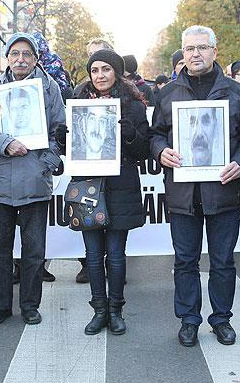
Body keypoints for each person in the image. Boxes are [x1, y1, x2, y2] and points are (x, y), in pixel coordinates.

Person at [150, 25, 240, 347]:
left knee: (223, 260)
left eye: (202, 48)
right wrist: (159, 151)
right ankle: (189, 320)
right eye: (189, 49)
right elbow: (156, 134)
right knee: (185, 261)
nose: (195, 54)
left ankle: (221, 319)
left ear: (214, 52)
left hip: (223, 191)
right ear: (182, 54)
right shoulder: (167, 93)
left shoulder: (234, 92)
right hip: (183, 195)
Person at [0, 33, 65, 327]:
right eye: (15, 54)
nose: (21, 59)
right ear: (7, 57)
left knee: (34, 250)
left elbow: (59, 129)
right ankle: (0, 306)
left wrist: (48, 163)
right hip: (1, 180)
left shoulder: (49, 88)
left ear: (37, 59)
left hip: (35, 181)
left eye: (27, 54)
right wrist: (6, 143)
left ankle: (30, 305)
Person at [70, 49, 150, 336]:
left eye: (105, 69)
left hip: (121, 186)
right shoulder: (77, 103)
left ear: (116, 71)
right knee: (92, 255)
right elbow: (72, 146)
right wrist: (64, 136)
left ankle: (116, 311)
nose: (100, 75)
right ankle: (99, 311)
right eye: (94, 70)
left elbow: (143, 151)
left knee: (115, 255)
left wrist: (130, 134)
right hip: (88, 185)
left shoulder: (133, 105)